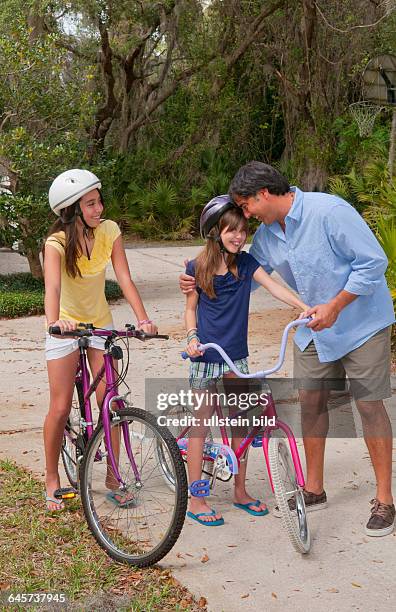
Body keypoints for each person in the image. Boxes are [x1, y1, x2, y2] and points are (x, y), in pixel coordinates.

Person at [181, 161, 395, 536]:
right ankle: (314, 488)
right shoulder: (265, 237)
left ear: (263, 194)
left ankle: (385, 500)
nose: (244, 216)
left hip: (361, 324)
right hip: (313, 329)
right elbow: (240, 278)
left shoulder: (328, 211)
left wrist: (336, 305)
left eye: (245, 206)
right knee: (311, 402)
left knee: (368, 405)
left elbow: (374, 263)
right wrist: (198, 282)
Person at [184, 195, 309, 526]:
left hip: (237, 357)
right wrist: (192, 339)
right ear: (215, 233)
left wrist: (302, 307)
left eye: (242, 230)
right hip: (208, 357)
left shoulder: (247, 264)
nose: (238, 237)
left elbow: (274, 287)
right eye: (231, 231)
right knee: (201, 424)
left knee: (241, 421)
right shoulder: (197, 268)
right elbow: (190, 310)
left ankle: (240, 491)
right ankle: (196, 499)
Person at [43, 169, 157, 511]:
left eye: (98, 201)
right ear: (72, 210)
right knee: (61, 406)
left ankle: (113, 476)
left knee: (111, 399)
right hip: (65, 325)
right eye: (90, 204)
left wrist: (143, 319)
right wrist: (54, 322)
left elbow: (123, 276)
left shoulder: (110, 231)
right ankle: (51, 479)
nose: (99, 208)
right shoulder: (57, 243)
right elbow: (53, 287)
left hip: (100, 324)